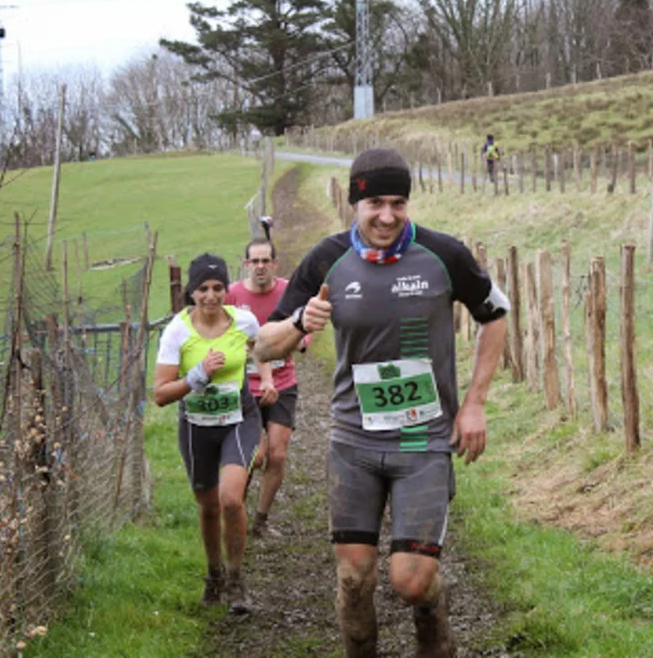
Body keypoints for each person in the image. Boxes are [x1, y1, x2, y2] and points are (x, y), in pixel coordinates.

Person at [255, 148, 509, 657]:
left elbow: (496, 314)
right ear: (356, 203)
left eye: (398, 203)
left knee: (411, 581)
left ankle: (434, 624)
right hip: (354, 442)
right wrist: (301, 321)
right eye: (375, 204)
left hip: (422, 440)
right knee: (354, 579)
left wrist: (475, 403)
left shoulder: (444, 254)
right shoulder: (327, 260)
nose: (388, 216)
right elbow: (263, 345)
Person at [153, 253, 271, 615]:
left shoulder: (244, 321)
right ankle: (214, 574)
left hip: (239, 419)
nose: (211, 295)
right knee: (208, 507)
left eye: (218, 287)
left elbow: (262, 349)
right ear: (191, 292)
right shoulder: (177, 332)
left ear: (226, 289)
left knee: (231, 499)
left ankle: (236, 579)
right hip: (197, 427)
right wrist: (198, 375)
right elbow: (160, 394)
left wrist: (266, 378)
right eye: (203, 288)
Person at [225, 237, 309, 538]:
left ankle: (261, 520)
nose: (260, 267)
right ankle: (235, 510)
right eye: (254, 261)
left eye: (265, 261)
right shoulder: (232, 295)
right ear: (246, 264)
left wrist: (294, 341)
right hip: (244, 386)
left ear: (275, 264)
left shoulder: (289, 292)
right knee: (255, 456)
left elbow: (303, 330)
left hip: (283, 382)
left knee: (278, 454)